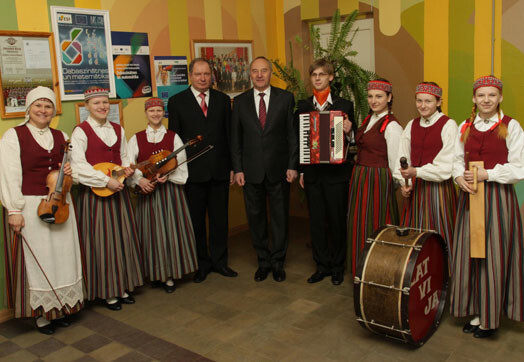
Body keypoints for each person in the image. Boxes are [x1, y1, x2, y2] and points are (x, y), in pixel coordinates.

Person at [0, 86, 84, 334]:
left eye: (48, 106)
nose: (43, 110)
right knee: (41, 261)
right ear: (29, 108)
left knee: (62, 257)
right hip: (29, 205)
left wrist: (71, 173)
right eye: (38, 105)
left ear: (53, 110)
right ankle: (41, 315)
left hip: (60, 204)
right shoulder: (13, 136)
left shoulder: (62, 136)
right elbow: (8, 174)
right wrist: (13, 210)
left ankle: (60, 307)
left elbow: (76, 171)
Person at [450, 75, 524, 338]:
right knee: (472, 256)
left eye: (492, 95)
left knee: (494, 257)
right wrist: (459, 177)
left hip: (498, 200)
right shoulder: (466, 125)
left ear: (500, 97)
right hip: (470, 198)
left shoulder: (511, 126)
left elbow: (519, 167)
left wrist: (487, 175)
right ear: (474, 98)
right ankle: (477, 310)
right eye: (481, 95)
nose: (486, 100)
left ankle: (490, 319)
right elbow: (456, 159)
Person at [71, 87, 143, 311]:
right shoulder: (81, 132)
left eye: (105, 102)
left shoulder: (118, 129)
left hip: (117, 193)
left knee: (121, 240)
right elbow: (78, 166)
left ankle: (122, 286)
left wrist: (125, 171)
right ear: (87, 106)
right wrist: (104, 181)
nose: (102, 107)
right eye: (96, 103)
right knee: (102, 243)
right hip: (96, 196)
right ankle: (108, 291)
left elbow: (122, 158)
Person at [168, 58, 237, 283]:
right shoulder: (177, 101)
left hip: (219, 170)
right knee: (196, 221)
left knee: (220, 220)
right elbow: (175, 141)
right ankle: (201, 264)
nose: (203, 78)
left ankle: (220, 262)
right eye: (198, 74)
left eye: (207, 74)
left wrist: (233, 168)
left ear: (212, 75)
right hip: (192, 172)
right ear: (191, 75)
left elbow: (230, 137)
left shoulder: (223, 100)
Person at [231, 56, 298, 282]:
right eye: (255, 71)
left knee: (279, 218)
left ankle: (278, 262)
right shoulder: (239, 102)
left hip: (279, 171)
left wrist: (292, 165)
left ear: (271, 73)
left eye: (264, 70)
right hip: (250, 172)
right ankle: (263, 261)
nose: (259, 75)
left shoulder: (286, 99)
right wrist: (238, 169)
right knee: (256, 218)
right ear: (249, 74)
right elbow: (236, 140)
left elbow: (292, 135)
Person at [128, 97, 198, 293]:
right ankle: (154, 273)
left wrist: (168, 176)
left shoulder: (173, 137)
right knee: (151, 234)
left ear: (163, 113)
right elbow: (130, 166)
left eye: (159, 111)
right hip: (148, 191)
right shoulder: (136, 138)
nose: (156, 114)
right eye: (152, 111)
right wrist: (140, 181)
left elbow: (181, 164)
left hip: (170, 193)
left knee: (170, 233)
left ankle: (170, 275)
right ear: (146, 114)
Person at [295, 59, 355, 285]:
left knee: (337, 221)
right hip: (312, 174)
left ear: (330, 77)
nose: (317, 78)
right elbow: (300, 141)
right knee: (317, 222)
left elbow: (354, 140)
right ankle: (321, 266)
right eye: (314, 75)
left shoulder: (344, 105)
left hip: (337, 174)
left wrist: (349, 131)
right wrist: (301, 171)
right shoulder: (303, 106)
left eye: (322, 74)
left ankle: (338, 267)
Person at [395, 82, 458, 263]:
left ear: (439, 102)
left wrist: (416, 171)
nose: (423, 105)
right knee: (414, 236)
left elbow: (446, 165)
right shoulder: (411, 125)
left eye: (428, 101)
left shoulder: (448, 125)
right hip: (415, 190)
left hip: (438, 192)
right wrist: (403, 183)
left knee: (439, 234)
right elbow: (402, 154)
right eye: (419, 100)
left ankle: (444, 276)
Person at [347, 79, 403, 276]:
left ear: (389, 98)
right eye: (370, 96)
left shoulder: (392, 126)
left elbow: (396, 161)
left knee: (376, 224)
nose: (373, 101)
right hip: (361, 177)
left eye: (379, 97)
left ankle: (378, 272)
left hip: (377, 180)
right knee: (360, 224)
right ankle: (360, 269)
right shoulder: (368, 119)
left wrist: (392, 185)